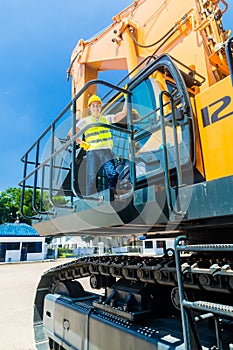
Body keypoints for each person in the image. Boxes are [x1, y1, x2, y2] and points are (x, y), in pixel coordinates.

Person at [68, 94, 127, 200]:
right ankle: (91, 199)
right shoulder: (85, 121)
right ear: (90, 108)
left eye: (98, 105)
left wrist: (127, 97)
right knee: (91, 177)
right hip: (92, 152)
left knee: (112, 173)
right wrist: (81, 143)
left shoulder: (106, 119)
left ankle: (111, 194)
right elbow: (71, 133)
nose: (96, 107)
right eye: (93, 105)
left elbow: (122, 114)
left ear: (101, 107)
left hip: (106, 151)